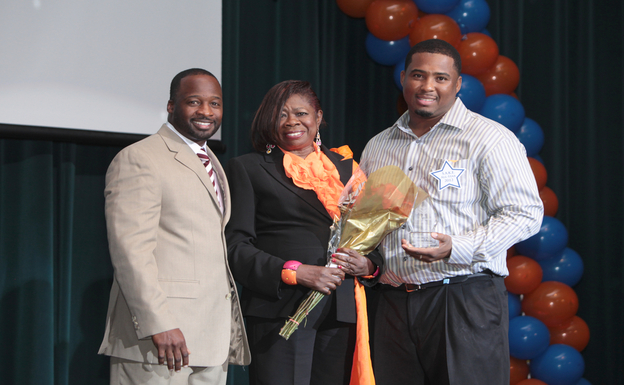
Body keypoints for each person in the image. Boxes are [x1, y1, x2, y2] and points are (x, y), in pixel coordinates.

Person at [359, 39, 544, 385]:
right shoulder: (378, 145)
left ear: (458, 85)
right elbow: (368, 221)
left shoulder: (489, 138)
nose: (428, 86)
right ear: (403, 78)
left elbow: (525, 213)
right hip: (391, 303)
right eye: (418, 75)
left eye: (441, 78)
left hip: (463, 297)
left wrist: (456, 247)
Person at [98, 68, 250, 385]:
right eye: (194, 102)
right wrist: (159, 323)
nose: (206, 112)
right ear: (171, 106)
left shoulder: (212, 162)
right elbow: (131, 252)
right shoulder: (140, 158)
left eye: (215, 103)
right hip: (159, 343)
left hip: (210, 342)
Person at [225, 80, 382, 385]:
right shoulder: (248, 168)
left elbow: (373, 236)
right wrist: (295, 272)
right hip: (281, 309)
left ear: (318, 117)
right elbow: (236, 247)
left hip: (341, 311)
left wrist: (369, 265)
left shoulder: (347, 168)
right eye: (281, 115)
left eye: (301, 113)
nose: (292, 122)